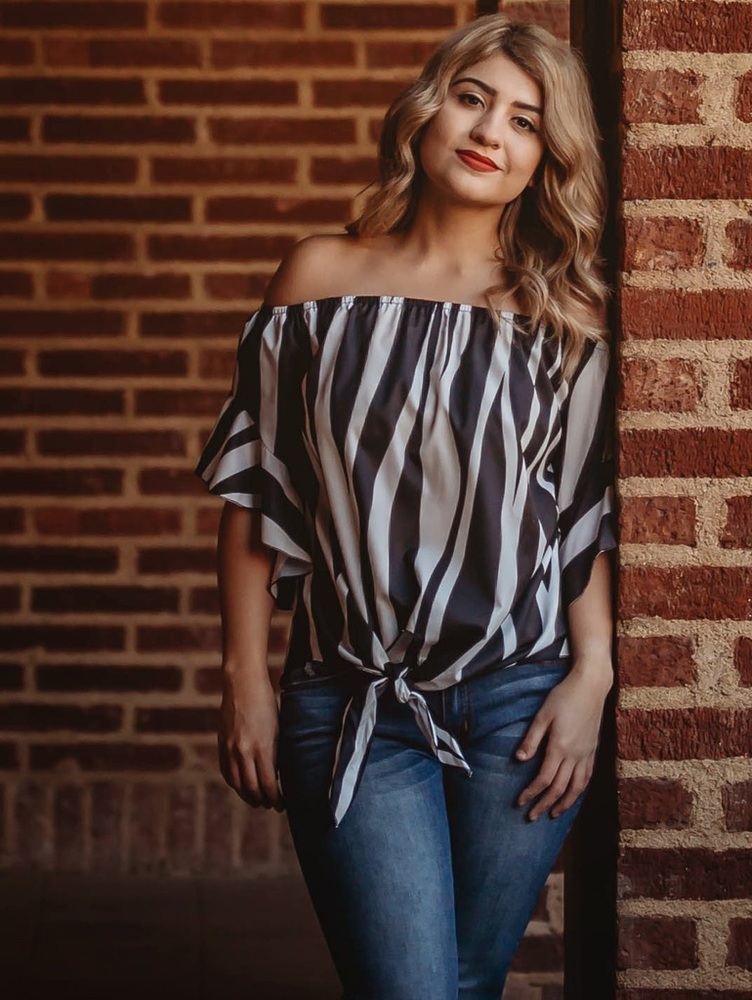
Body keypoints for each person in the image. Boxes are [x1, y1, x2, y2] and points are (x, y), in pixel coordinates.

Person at [194, 12, 617, 1000]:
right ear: (425, 112)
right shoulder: (317, 275)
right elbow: (259, 496)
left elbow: (574, 516)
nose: (490, 131)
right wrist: (243, 680)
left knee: (461, 984)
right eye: (472, 99)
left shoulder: (563, 310)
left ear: (543, 159)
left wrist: (592, 677)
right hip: (352, 702)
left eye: (524, 120)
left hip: (522, 702)